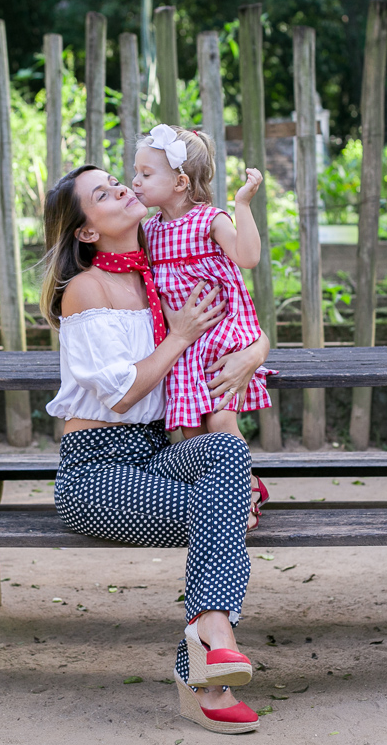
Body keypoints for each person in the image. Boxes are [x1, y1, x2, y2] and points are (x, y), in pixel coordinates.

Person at [41, 165, 272, 734]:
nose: (121, 188)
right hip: (94, 474)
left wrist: (257, 350)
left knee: (224, 453)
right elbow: (120, 395)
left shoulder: (158, 270)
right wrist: (179, 337)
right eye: (102, 193)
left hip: (152, 455)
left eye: (116, 181)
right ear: (87, 232)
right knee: (219, 507)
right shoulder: (85, 289)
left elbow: (237, 313)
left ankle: (207, 643)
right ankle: (210, 658)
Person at [133, 124, 272, 531]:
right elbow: (149, 284)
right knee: (192, 432)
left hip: (220, 337)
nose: (135, 181)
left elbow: (246, 257)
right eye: (136, 172)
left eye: (145, 174)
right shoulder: (150, 230)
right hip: (183, 344)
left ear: (179, 182)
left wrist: (242, 205)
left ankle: (245, 495)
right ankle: (215, 501)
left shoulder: (210, 220)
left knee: (222, 421)